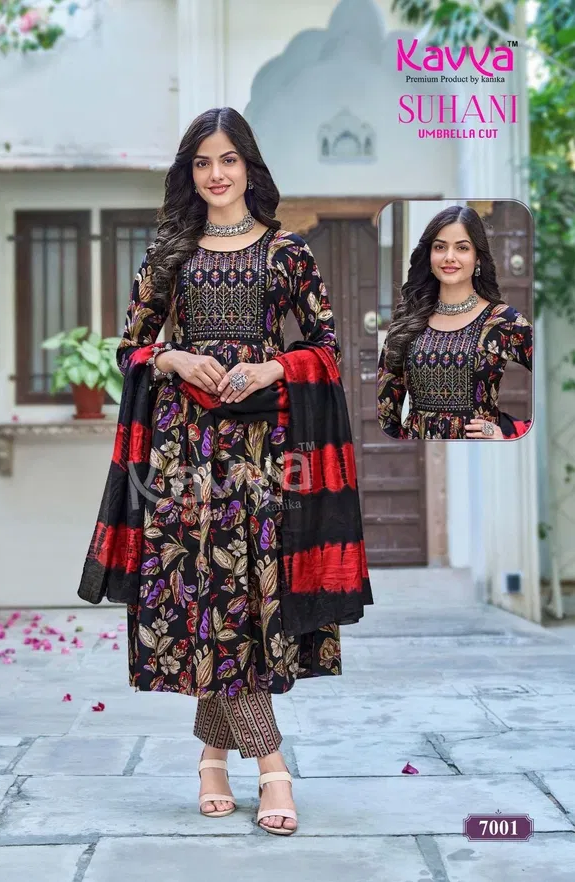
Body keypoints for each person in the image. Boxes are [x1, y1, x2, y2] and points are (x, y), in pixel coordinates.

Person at [77, 107, 373, 836]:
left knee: (245, 592)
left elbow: (328, 348)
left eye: (228, 159)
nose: (216, 173)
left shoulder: (287, 253)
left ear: (249, 167)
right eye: (203, 162)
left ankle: (215, 757)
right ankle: (272, 765)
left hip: (267, 452)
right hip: (181, 452)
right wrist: (173, 357)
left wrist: (274, 365)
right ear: (190, 173)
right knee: (207, 591)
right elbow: (130, 350)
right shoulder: (169, 256)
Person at [377, 205, 533, 440]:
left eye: (462, 247)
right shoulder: (408, 322)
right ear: (429, 255)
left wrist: (508, 434)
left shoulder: (502, 321)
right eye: (440, 247)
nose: (449, 257)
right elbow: (385, 415)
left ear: (477, 257)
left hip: (480, 451)